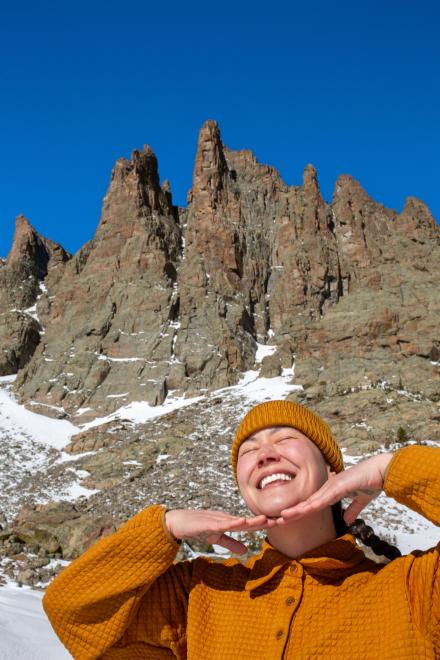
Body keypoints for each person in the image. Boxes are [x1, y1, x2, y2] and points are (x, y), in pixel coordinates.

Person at [43, 400, 440, 659]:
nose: (265, 453)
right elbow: (72, 612)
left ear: (334, 470)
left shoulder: (414, 590)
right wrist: (165, 527)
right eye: (248, 452)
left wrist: (391, 469)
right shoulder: (198, 594)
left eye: (285, 439)